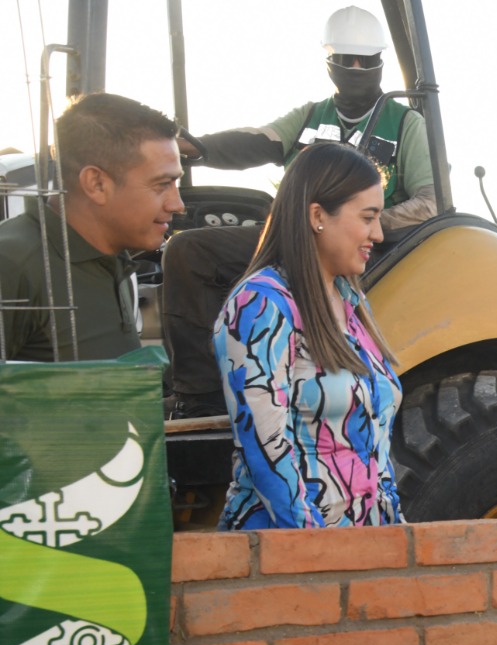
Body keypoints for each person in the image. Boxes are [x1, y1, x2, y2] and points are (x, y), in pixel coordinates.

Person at [165, 5, 435, 416]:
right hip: (294, 237)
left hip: (361, 250)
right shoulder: (310, 116)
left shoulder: (405, 123)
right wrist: (196, 148)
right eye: (347, 61)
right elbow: (257, 141)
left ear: (380, 62)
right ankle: (202, 396)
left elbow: (430, 203)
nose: (357, 69)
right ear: (330, 62)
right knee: (189, 251)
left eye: (366, 62)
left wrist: (361, 223)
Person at [214, 142, 403, 529]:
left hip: (363, 545)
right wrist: (319, 553)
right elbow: (268, 454)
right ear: (317, 216)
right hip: (291, 549)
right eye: (368, 217)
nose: (378, 233)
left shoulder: (353, 303)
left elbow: (375, 452)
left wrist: (394, 534)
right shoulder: (261, 305)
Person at [0, 94, 183, 362]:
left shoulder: (113, 260)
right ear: (96, 184)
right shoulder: (12, 265)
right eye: (162, 185)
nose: (178, 205)